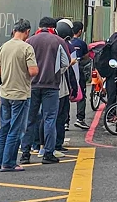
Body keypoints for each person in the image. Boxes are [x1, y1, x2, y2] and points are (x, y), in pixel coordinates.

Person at [19, 17, 69, 165]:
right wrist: (55, 72)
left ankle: (25, 154)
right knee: (50, 119)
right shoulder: (59, 41)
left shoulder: (29, 41)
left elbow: (23, 63)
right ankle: (48, 153)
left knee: (30, 120)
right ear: (53, 28)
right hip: (51, 86)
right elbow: (65, 63)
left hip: (32, 86)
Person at [0, 19, 38, 173]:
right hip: (20, 94)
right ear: (27, 32)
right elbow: (33, 71)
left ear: (14, 31)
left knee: (4, 127)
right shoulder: (27, 48)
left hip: (5, 93)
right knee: (16, 129)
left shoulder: (3, 47)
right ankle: (9, 163)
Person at [53, 20, 75, 154]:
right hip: (58, 88)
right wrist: (70, 63)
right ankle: (55, 144)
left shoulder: (34, 42)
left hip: (52, 87)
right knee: (58, 117)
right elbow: (62, 66)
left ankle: (41, 144)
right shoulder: (60, 45)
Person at [69, 21, 90, 130]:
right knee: (81, 93)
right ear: (80, 31)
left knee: (66, 96)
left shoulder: (66, 42)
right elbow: (86, 56)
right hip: (78, 71)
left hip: (67, 71)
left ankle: (65, 122)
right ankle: (80, 119)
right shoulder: (81, 43)